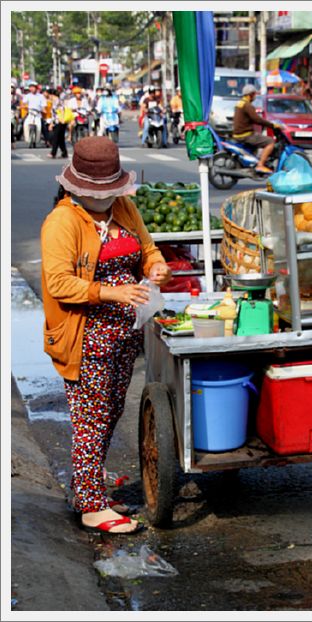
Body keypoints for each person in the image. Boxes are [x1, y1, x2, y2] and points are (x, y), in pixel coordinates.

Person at [41, 136, 172, 534]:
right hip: (86, 339)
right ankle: (92, 507)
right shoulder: (62, 222)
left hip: (124, 336)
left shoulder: (124, 208)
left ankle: (89, 490)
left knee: (110, 412)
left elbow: (148, 249)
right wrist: (111, 291)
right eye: (99, 193)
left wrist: (157, 266)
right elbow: (59, 282)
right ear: (76, 188)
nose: (106, 199)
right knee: (90, 420)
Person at [232, 84, 276, 174]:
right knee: (270, 142)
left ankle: (254, 162)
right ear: (250, 95)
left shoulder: (239, 103)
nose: (255, 96)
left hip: (238, 134)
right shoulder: (248, 106)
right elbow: (256, 119)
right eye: (254, 94)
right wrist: (272, 125)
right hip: (246, 135)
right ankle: (260, 165)